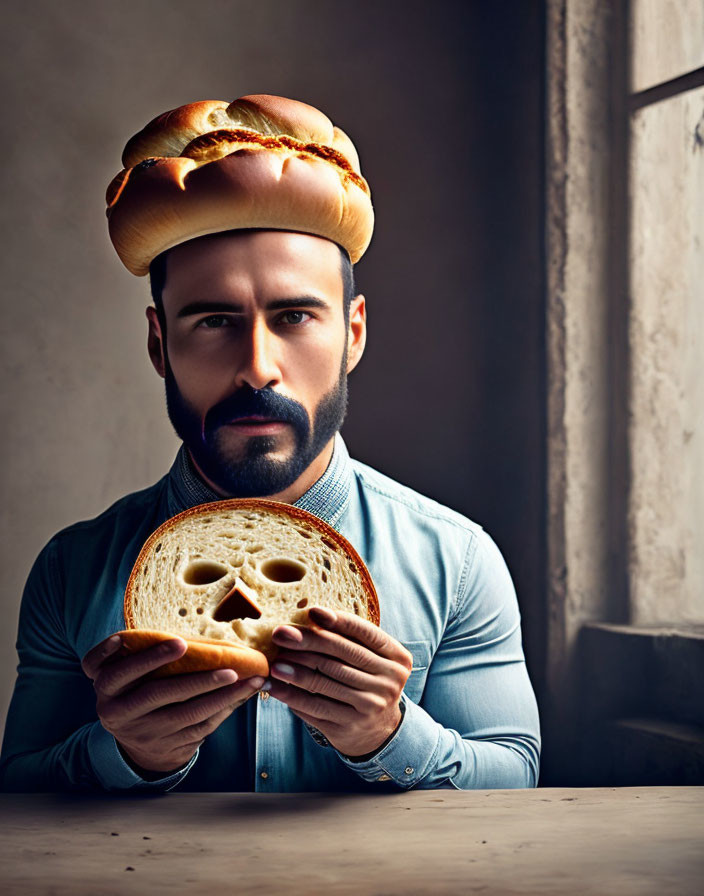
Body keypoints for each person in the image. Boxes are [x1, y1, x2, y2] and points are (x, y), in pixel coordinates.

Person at [0, 94, 540, 792]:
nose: (257, 364)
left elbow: (518, 781)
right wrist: (128, 754)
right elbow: (16, 792)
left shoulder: (458, 561)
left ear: (353, 334)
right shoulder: (72, 569)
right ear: (159, 344)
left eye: (293, 316)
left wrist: (389, 735)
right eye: (214, 320)